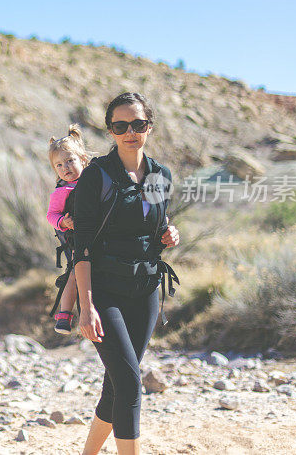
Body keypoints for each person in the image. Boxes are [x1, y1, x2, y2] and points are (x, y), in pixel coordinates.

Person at [72, 92, 180, 455]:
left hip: (146, 289)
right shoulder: (97, 175)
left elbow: (154, 221)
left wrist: (169, 232)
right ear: (110, 130)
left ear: (149, 125)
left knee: (118, 384)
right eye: (120, 126)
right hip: (105, 291)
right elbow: (81, 248)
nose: (130, 132)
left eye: (138, 124)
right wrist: (86, 307)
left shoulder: (160, 174)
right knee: (131, 383)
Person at [46, 124, 90, 334]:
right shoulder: (61, 191)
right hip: (77, 241)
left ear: (82, 158)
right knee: (74, 274)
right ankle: (64, 314)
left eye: (70, 161)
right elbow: (51, 216)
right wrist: (63, 222)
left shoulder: (94, 182)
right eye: (59, 165)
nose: (66, 168)